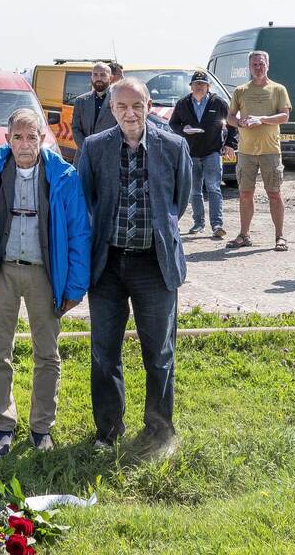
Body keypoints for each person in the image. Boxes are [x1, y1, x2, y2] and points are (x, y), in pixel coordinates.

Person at [77, 79, 191, 461]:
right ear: (111, 109)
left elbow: (178, 201)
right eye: (122, 106)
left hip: (154, 265)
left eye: (137, 105)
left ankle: (159, 431)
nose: (130, 113)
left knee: (159, 353)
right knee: (104, 353)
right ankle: (108, 431)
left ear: (149, 105)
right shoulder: (94, 148)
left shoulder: (173, 146)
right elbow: (86, 198)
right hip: (107, 265)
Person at [0, 108, 91, 455]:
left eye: (31, 137)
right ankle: (3, 424)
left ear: (42, 138)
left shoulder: (63, 175)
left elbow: (79, 233)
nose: (24, 144)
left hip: (44, 274)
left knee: (47, 354)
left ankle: (41, 428)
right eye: (17, 137)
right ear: (7, 139)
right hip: (2, 271)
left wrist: (75, 287)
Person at [225, 51, 291, 251]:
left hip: (270, 150)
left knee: (274, 194)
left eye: (261, 64)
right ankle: (244, 235)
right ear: (249, 67)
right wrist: (240, 122)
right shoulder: (241, 90)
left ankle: (280, 236)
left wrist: (261, 119)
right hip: (246, 152)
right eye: (254, 64)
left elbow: (284, 116)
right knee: (245, 194)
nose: (258, 67)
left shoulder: (278, 89)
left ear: (267, 65)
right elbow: (230, 117)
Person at [168, 70, 237, 239]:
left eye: (203, 84)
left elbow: (232, 124)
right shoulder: (183, 103)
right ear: (191, 86)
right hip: (190, 153)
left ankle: (217, 225)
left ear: (208, 87)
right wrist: (183, 130)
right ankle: (198, 223)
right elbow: (173, 123)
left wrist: (229, 144)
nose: (199, 86)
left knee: (214, 188)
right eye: (196, 84)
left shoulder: (218, 102)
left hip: (212, 151)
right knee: (194, 191)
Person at [71, 62, 119, 154]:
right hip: (83, 155)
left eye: (103, 75)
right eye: (95, 75)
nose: (99, 78)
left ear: (110, 78)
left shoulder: (118, 100)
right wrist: (87, 149)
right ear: (91, 77)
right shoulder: (80, 101)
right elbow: (75, 129)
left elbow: (121, 130)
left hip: (108, 156)